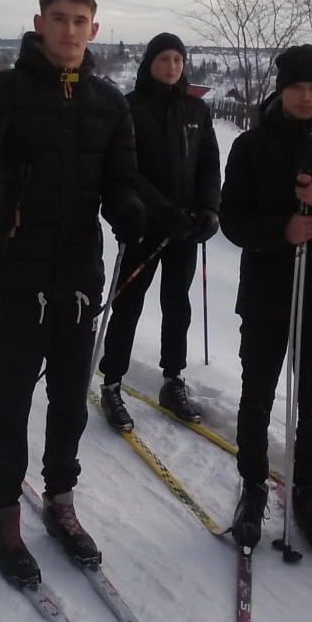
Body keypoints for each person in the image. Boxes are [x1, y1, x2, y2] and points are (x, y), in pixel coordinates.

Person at [0, 0, 145, 585]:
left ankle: (60, 501)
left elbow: (121, 181)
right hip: (20, 274)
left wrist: (134, 212)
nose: (68, 30)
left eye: (79, 20)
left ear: (94, 29)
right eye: (58, 18)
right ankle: (4, 515)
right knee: (11, 403)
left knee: (68, 402)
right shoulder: (9, 92)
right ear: (39, 23)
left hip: (80, 278)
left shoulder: (109, 103)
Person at [219, 44, 312, 554]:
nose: (305, 97)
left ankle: (305, 492)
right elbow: (232, 219)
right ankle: (253, 487)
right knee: (257, 395)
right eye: (296, 87)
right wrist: (281, 230)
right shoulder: (251, 146)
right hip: (266, 292)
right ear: (280, 90)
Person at [97, 32, 220, 429]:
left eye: (178, 60)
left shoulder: (195, 110)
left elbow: (208, 164)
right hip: (143, 224)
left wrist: (209, 209)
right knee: (128, 304)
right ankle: (112, 382)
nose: (171, 67)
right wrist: (164, 211)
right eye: (164, 59)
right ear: (150, 63)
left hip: (185, 228)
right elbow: (127, 171)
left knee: (177, 304)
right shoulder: (131, 107)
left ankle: (172, 380)